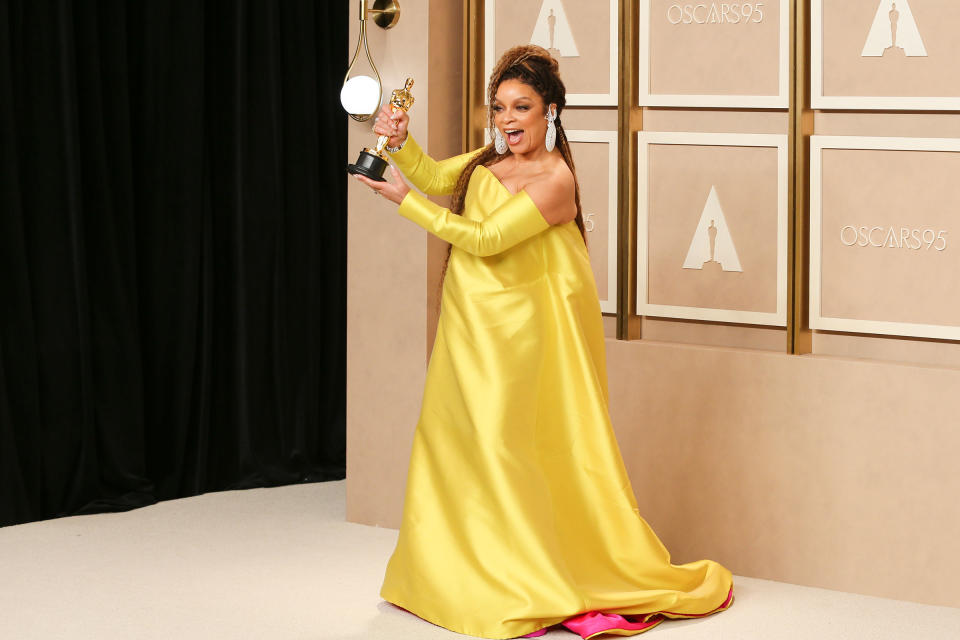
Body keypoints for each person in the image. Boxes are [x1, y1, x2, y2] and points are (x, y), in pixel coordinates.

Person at [353, 45, 733, 639]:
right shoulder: (488, 161)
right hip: (468, 329)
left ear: (550, 110)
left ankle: (520, 576)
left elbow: (482, 239)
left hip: (516, 341)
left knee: (506, 451)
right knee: (453, 444)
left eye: (522, 107)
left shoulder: (557, 181)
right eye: (499, 107)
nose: (508, 119)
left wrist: (408, 207)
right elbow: (433, 176)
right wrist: (400, 143)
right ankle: (452, 577)